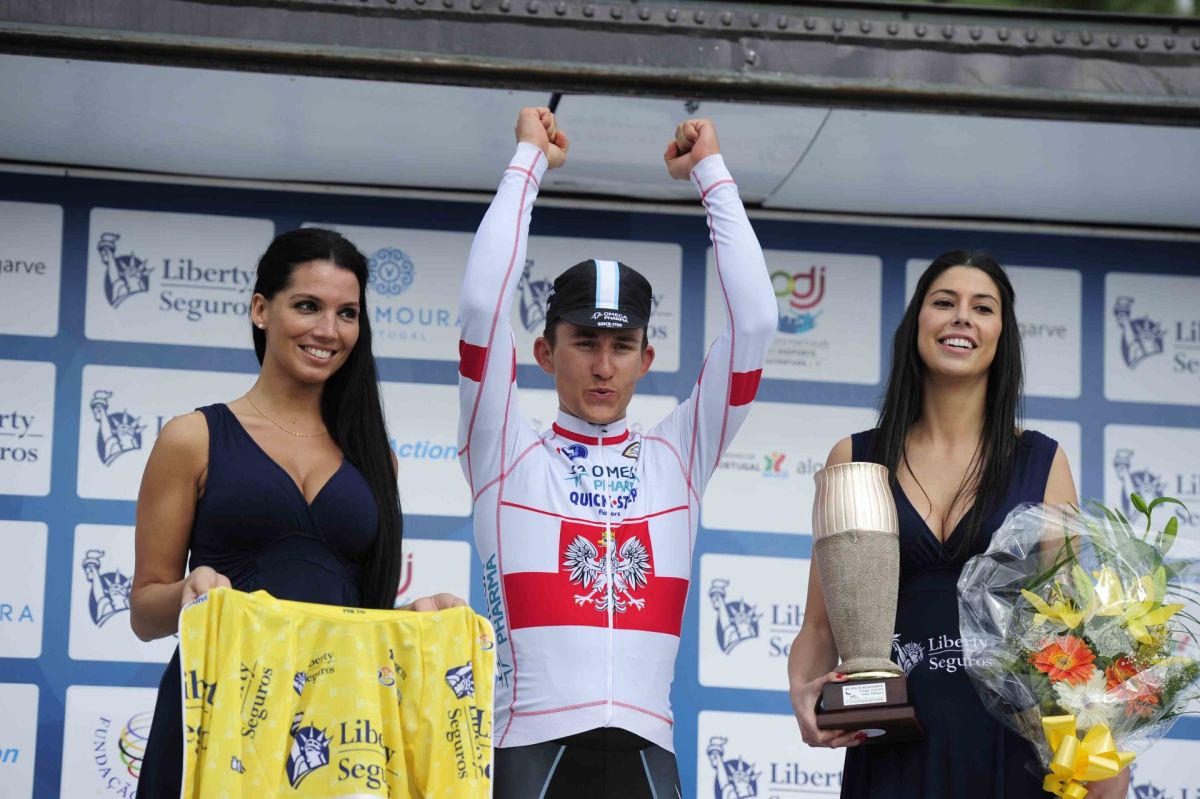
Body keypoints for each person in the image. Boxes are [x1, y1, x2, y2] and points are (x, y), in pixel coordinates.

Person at [457, 107, 776, 797]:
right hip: (528, 755)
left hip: (646, 757)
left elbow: (755, 321)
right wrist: (526, 164)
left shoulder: (678, 455)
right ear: (544, 352)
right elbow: (482, 306)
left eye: (622, 345)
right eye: (585, 342)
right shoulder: (503, 449)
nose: (604, 366)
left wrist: (712, 174)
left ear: (645, 358)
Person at [130, 228, 461, 797]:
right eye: (308, 305)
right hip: (218, 718)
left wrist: (414, 621)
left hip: (336, 732)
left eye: (347, 313)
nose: (328, 330)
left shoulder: (377, 459)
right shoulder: (192, 438)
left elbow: (356, 619)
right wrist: (190, 592)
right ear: (261, 310)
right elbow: (144, 611)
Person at [786, 252, 1129, 798]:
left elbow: (1068, 627)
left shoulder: (1043, 461)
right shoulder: (855, 458)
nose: (962, 317)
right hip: (892, 744)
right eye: (944, 302)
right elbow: (821, 626)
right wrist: (803, 693)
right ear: (917, 322)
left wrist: (1103, 750)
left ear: (1002, 335)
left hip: (1009, 747)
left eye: (982, 308)